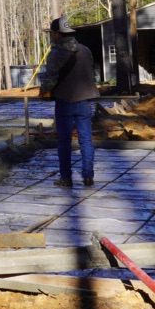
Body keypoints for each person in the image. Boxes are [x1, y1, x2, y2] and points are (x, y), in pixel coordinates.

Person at [38, 18, 98, 187]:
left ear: (58, 34)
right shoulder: (85, 50)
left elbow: (50, 80)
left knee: (64, 142)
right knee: (86, 140)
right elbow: (91, 72)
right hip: (85, 100)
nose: (51, 36)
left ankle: (66, 178)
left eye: (52, 33)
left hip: (64, 101)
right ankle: (88, 176)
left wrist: (44, 89)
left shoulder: (56, 53)